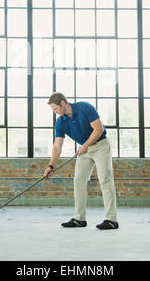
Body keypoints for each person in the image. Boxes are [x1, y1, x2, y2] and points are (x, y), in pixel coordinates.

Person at [44, 92, 119, 230]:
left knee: (105, 180)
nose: (55, 112)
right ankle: (79, 218)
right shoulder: (60, 121)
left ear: (62, 103)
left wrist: (85, 146)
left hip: (100, 145)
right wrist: (51, 166)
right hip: (85, 149)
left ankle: (111, 219)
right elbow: (57, 146)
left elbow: (98, 129)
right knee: (78, 180)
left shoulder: (84, 107)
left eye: (56, 109)